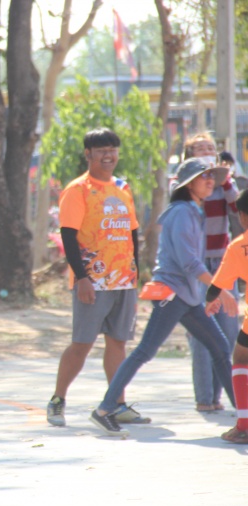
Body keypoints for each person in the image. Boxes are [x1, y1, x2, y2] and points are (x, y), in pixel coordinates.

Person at [90, 157, 236, 437]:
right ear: (188, 184)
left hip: (188, 297)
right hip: (172, 294)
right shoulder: (181, 212)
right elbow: (189, 262)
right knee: (145, 351)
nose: (210, 181)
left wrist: (208, 294)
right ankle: (104, 409)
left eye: (212, 177)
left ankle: (244, 417)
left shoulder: (193, 210)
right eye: (204, 176)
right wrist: (218, 289)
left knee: (220, 349)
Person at [46, 128, 147, 427]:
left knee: (118, 343)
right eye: (101, 150)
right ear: (88, 154)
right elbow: (68, 235)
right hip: (93, 280)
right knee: (82, 344)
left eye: (112, 149)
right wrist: (82, 278)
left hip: (123, 279)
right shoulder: (77, 189)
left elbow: (132, 231)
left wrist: (135, 271)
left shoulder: (123, 187)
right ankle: (57, 400)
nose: (108, 155)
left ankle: (118, 404)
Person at [179, 133, 240, 412]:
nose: (206, 152)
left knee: (228, 331)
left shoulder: (224, 184)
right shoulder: (184, 185)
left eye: (210, 149)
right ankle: (205, 399)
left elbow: (237, 209)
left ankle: (226, 397)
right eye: (199, 149)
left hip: (224, 262)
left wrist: (225, 179)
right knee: (203, 334)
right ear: (189, 156)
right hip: (198, 266)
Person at [206, 189, 248, 443]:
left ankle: (244, 425)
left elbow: (216, 286)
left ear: (242, 216)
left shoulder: (238, 246)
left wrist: (210, 301)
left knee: (241, 357)